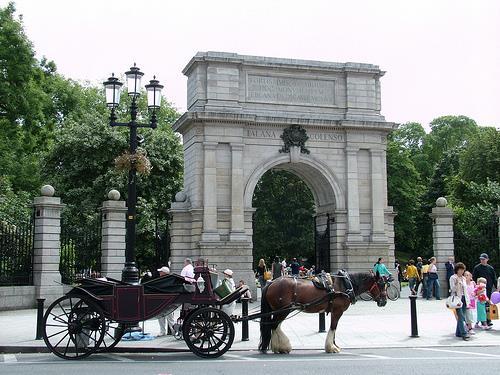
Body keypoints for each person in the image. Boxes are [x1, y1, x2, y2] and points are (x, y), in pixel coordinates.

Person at [472, 253, 497, 326]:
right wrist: (475, 289)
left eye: (483, 259)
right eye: (481, 259)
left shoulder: (490, 268)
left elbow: (494, 279)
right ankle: (479, 320)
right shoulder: (477, 268)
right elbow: (474, 278)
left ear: (487, 259)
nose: (482, 260)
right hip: (479, 290)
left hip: (488, 289)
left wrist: (497, 288)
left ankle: (488, 320)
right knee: (480, 305)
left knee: (488, 305)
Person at [449, 262, 470, 341]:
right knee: (460, 316)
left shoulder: (464, 278)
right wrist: (457, 283)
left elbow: (466, 290)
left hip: (464, 298)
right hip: (457, 299)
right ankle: (464, 333)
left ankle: (458, 332)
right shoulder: (453, 277)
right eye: (460, 269)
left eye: (463, 270)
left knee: (462, 316)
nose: (461, 271)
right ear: (457, 270)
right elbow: (452, 289)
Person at [156, 266, 175, 337]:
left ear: (164, 273)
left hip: (167, 301)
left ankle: (173, 331)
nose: (159, 273)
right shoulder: (164, 280)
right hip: (164, 300)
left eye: (161, 272)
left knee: (169, 317)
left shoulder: (167, 280)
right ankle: (163, 331)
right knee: (161, 317)